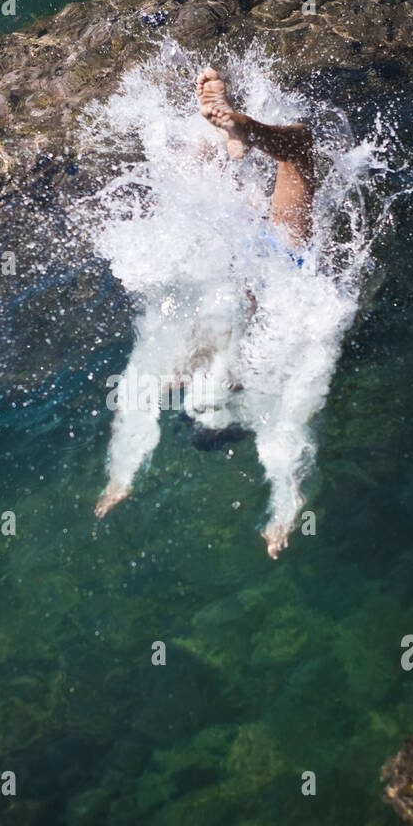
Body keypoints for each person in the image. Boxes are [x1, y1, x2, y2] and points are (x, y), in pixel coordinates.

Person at [94, 67, 315, 558]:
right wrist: (120, 478)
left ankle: (236, 136)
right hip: (271, 269)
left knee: (280, 163)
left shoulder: (197, 372)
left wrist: (121, 478)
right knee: (280, 161)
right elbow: (286, 438)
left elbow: (286, 440)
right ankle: (238, 132)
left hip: (257, 264)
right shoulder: (194, 371)